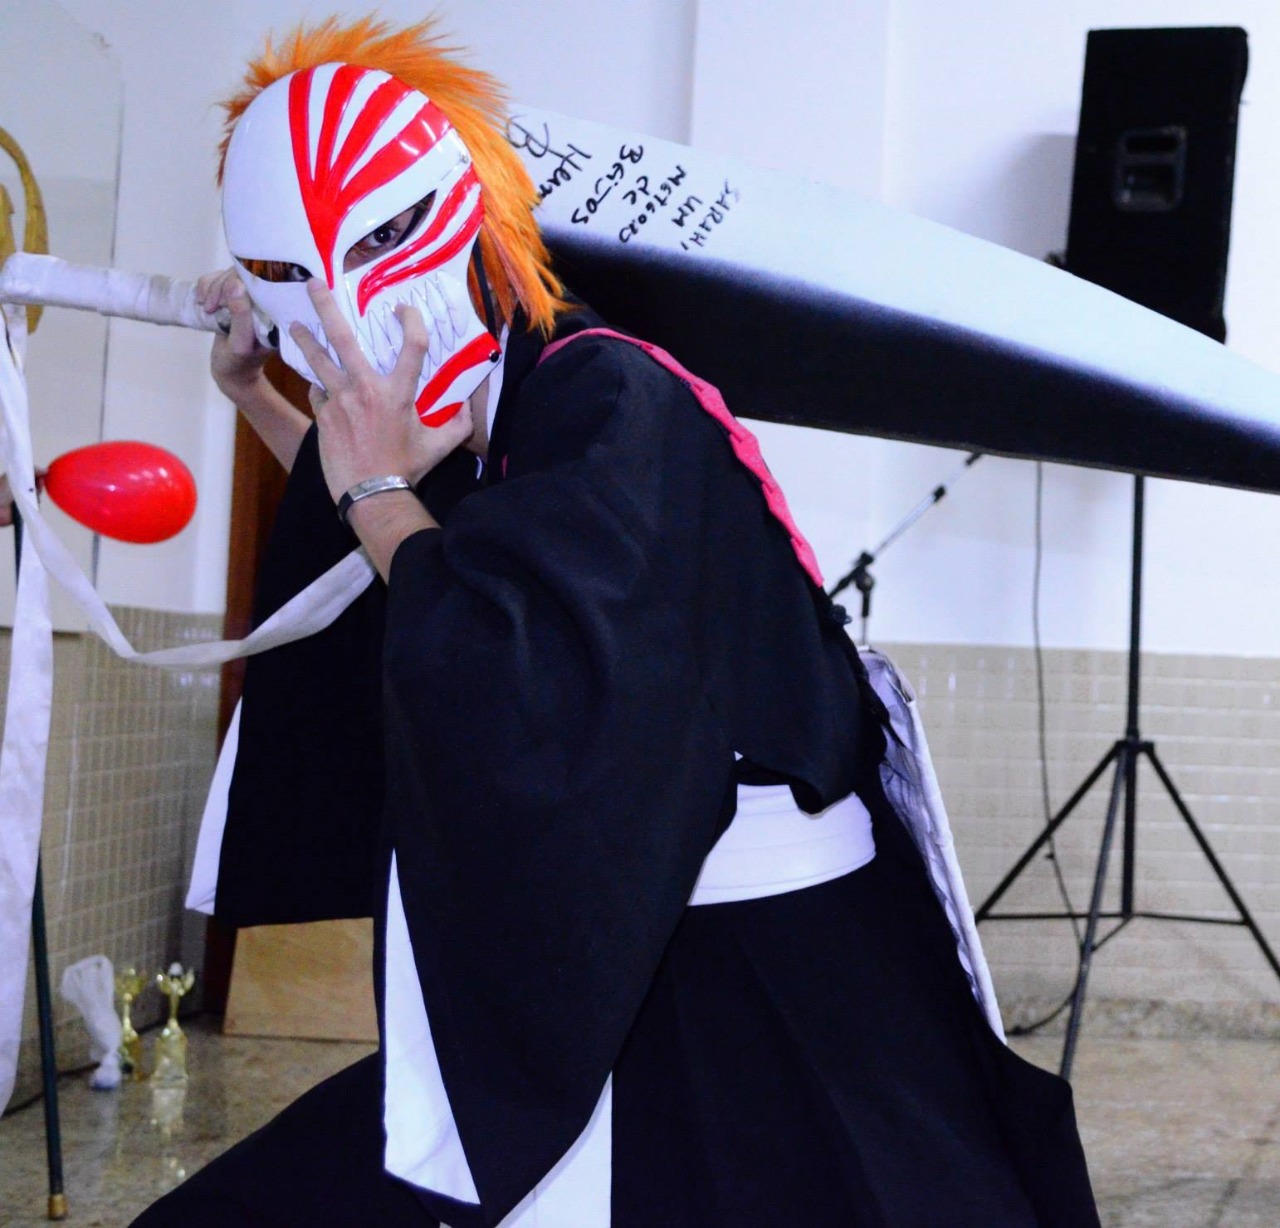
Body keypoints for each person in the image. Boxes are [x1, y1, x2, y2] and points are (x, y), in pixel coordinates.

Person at [135, 17, 1100, 1228]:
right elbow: (398, 550)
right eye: (289, 272)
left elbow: (496, 649)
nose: (341, 296)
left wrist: (373, 480)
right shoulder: (518, 402)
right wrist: (260, 394)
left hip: (755, 980)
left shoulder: (602, 392)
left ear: (470, 209)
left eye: (381, 235)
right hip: (634, 961)